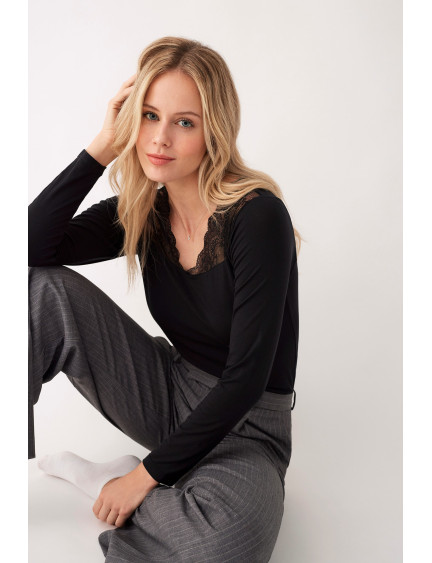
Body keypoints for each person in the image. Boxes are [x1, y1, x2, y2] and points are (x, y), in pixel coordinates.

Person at [28, 36, 302, 562]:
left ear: (213, 131)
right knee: (39, 291)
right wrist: (101, 147)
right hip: (167, 391)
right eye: (149, 115)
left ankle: (115, 484)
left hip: (248, 426)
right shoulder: (144, 210)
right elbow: (31, 248)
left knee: (226, 543)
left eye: (184, 122)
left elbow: (246, 378)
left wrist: (143, 477)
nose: (159, 138)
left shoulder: (258, 217)